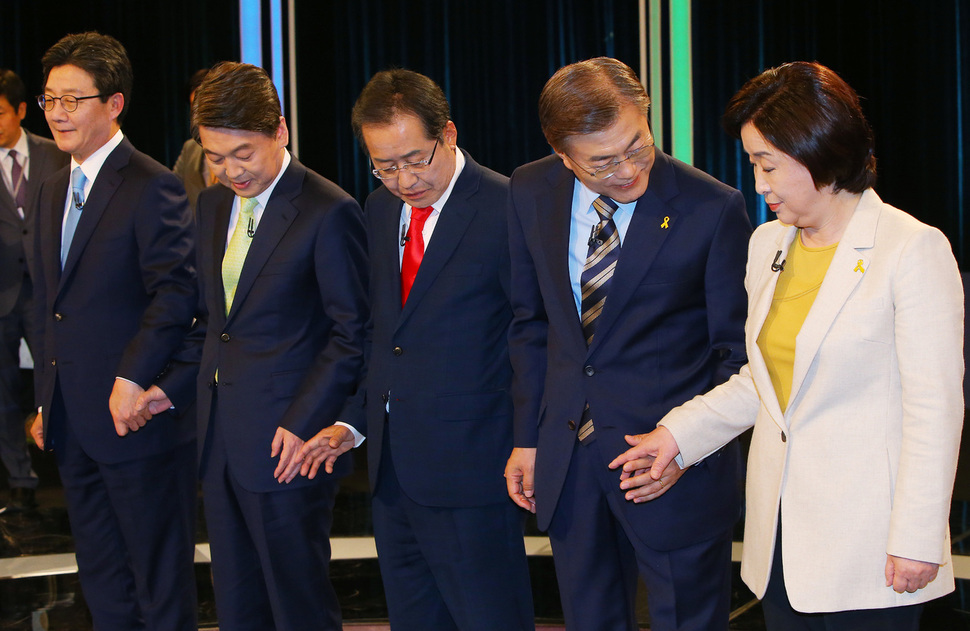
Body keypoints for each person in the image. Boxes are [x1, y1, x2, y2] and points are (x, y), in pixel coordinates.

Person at [610, 61, 963, 631]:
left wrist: (919, 536)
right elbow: (767, 382)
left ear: (819, 151)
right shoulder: (767, 244)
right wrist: (679, 432)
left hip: (873, 548)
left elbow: (935, 409)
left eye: (768, 164)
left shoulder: (911, 249)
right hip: (779, 542)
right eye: (754, 164)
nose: (759, 184)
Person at [504, 56, 752, 630]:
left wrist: (686, 445)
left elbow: (734, 355)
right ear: (562, 155)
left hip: (668, 465)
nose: (627, 169)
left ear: (646, 118)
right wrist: (528, 439)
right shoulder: (529, 189)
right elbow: (531, 323)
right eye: (601, 162)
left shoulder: (711, 208)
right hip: (568, 461)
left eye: (637, 146)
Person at [136, 61, 368, 631]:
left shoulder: (328, 210)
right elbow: (215, 325)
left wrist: (304, 420)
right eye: (215, 157)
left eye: (243, 153)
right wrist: (168, 389)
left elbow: (352, 334)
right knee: (238, 601)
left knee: (297, 602)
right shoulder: (211, 206)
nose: (230, 170)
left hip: (290, 443)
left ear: (280, 132)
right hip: (219, 438)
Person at [304, 68, 534, 631]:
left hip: (476, 468)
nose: (404, 180)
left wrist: (529, 442)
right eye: (385, 166)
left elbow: (533, 335)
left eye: (415, 159)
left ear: (448, 134)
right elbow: (386, 334)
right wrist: (352, 423)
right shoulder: (377, 211)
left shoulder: (508, 206)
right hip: (392, 471)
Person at [29, 32, 198, 629]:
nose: (58, 113)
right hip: (73, 418)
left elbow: (176, 295)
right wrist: (45, 397)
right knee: (100, 575)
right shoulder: (51, 187)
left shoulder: (153, 185)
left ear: (115, 104)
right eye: (50, 100)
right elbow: (49, 303)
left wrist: (133, 376)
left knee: (156, 573)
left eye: (74, 100)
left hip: (136, 415)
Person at [0, 68, 67, 514]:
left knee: (58, 379)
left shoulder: (56, 155)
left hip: (50, 292)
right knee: (4, 393)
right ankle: (20, 479)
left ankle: (69, 468)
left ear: (22, 111)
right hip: (2, 295)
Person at [172, 67, 214, 212]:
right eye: (195, 108)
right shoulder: (190, 149)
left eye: (206, 106)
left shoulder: (243, 150)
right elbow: (170, 191)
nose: (201, 114)